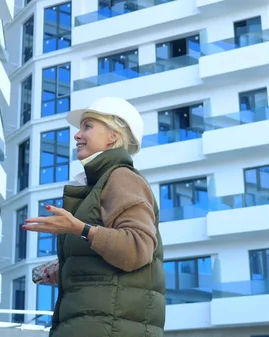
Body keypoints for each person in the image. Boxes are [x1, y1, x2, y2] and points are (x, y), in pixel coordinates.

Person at [24, 97, 166, 337]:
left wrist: (81, 228)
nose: (77, 135)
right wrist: (66, 267)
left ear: (113, 136)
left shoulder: (121, 177)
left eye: (87, 126)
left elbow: (138, 247)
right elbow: (108, 260)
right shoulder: (101, 182)